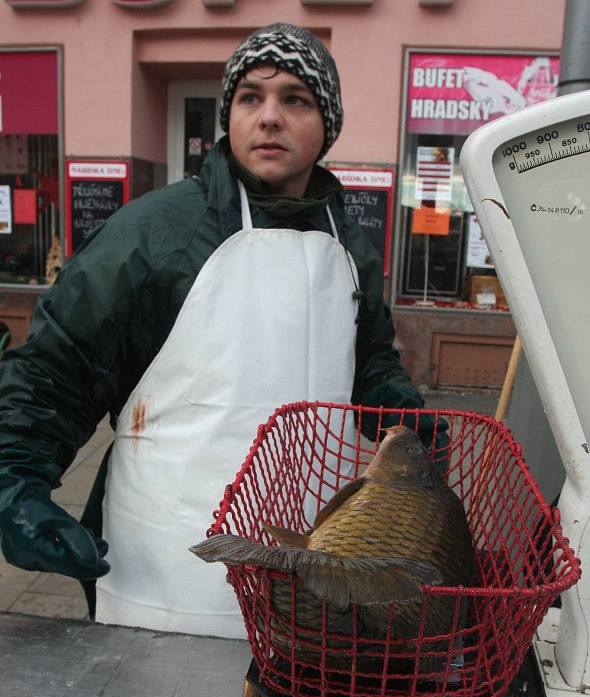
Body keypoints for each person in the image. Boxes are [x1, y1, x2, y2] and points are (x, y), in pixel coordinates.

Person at [0, 23, 442, 638]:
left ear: (327, 123)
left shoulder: (352, 247)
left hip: (315, 566)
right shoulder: (153, 233)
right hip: (166, 567)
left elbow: (366, 360)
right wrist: (16, 485)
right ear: (228, 115)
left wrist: (395, 405)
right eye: (250, 97)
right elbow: (54, 371)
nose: (269, 117)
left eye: (295, 98)